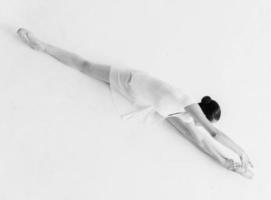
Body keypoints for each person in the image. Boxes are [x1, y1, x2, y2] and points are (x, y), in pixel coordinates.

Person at [16, 27, 254, 178]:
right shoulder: (186, 101)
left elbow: (199, 141)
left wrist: (227, 164)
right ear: (203, 112)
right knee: (85, 66)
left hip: (135, 96)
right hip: (132, 81)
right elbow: (211, 134)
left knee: (85, 68)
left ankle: (42, 46)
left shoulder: (178, 115)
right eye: (204, 120)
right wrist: (241, 152)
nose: (200, 124)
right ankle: (41, 45)